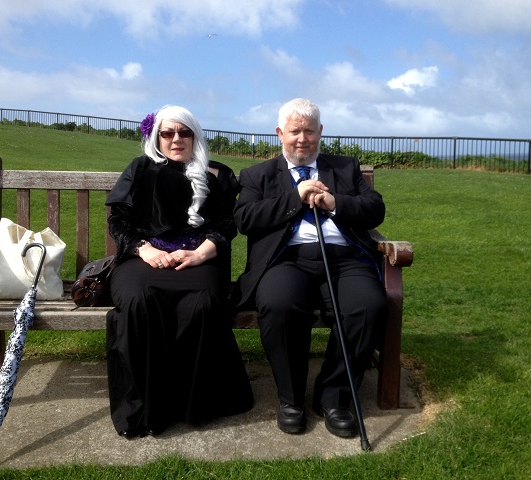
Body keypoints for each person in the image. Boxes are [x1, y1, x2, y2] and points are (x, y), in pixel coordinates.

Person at [233, 98, 387, 438]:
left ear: (320, 132)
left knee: (368, 305)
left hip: (343, 257)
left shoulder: (344, 169)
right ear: (279, 134)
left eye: (309, 131)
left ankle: (334, 397)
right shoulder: (257, 175)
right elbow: (244, 219)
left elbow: (374, 209)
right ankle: (291, 399)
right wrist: (295, 196)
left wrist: (335, 202)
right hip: (286, 259)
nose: (302, 139)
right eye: (294, 131)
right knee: (279, 304)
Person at [105, 105, 253, 438]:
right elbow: (118, 220)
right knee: (138, 300)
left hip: (198, 257)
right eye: (168, 132)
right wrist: (145, 249)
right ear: (156, 136)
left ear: (195, 136)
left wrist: (204, 251)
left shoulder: (217, 174)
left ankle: (190, 406)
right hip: (144, 257)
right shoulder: (140, 169)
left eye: (184, 132)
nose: (176, 139)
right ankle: (146, 408)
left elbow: (230, 223)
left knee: (200, 304)